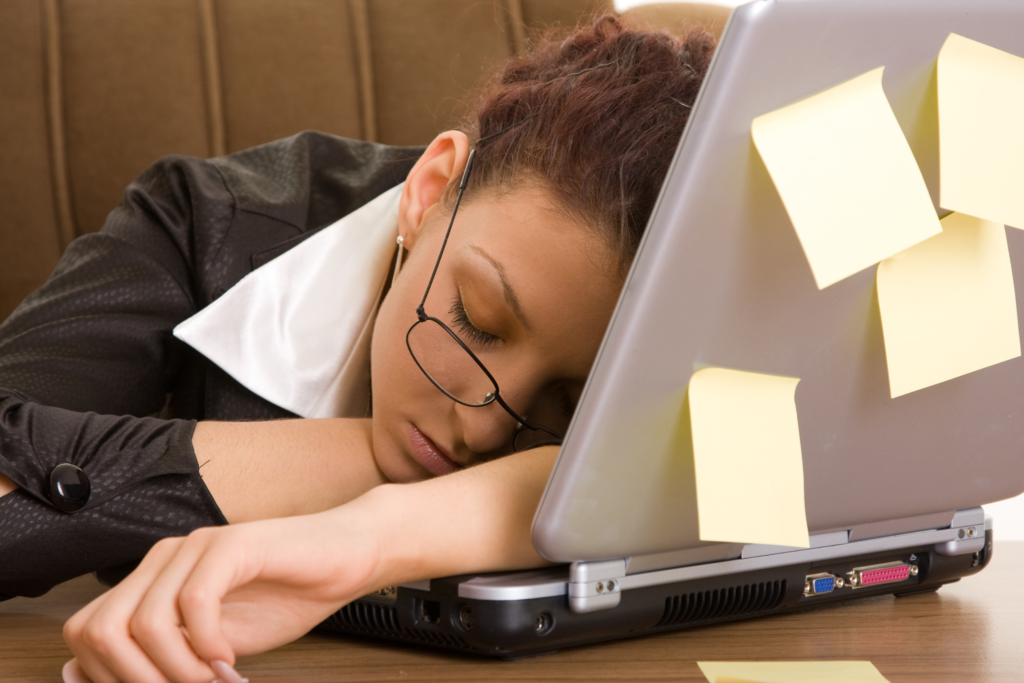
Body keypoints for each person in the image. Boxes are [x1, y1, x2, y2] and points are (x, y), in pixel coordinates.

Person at [0, 14, 716, 683]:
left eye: (566, 402)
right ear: (430, 190)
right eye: (477, 320)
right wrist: (361, 463)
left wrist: (373, 532)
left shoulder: (681, 338)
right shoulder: (200, 222)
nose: (484, 426)